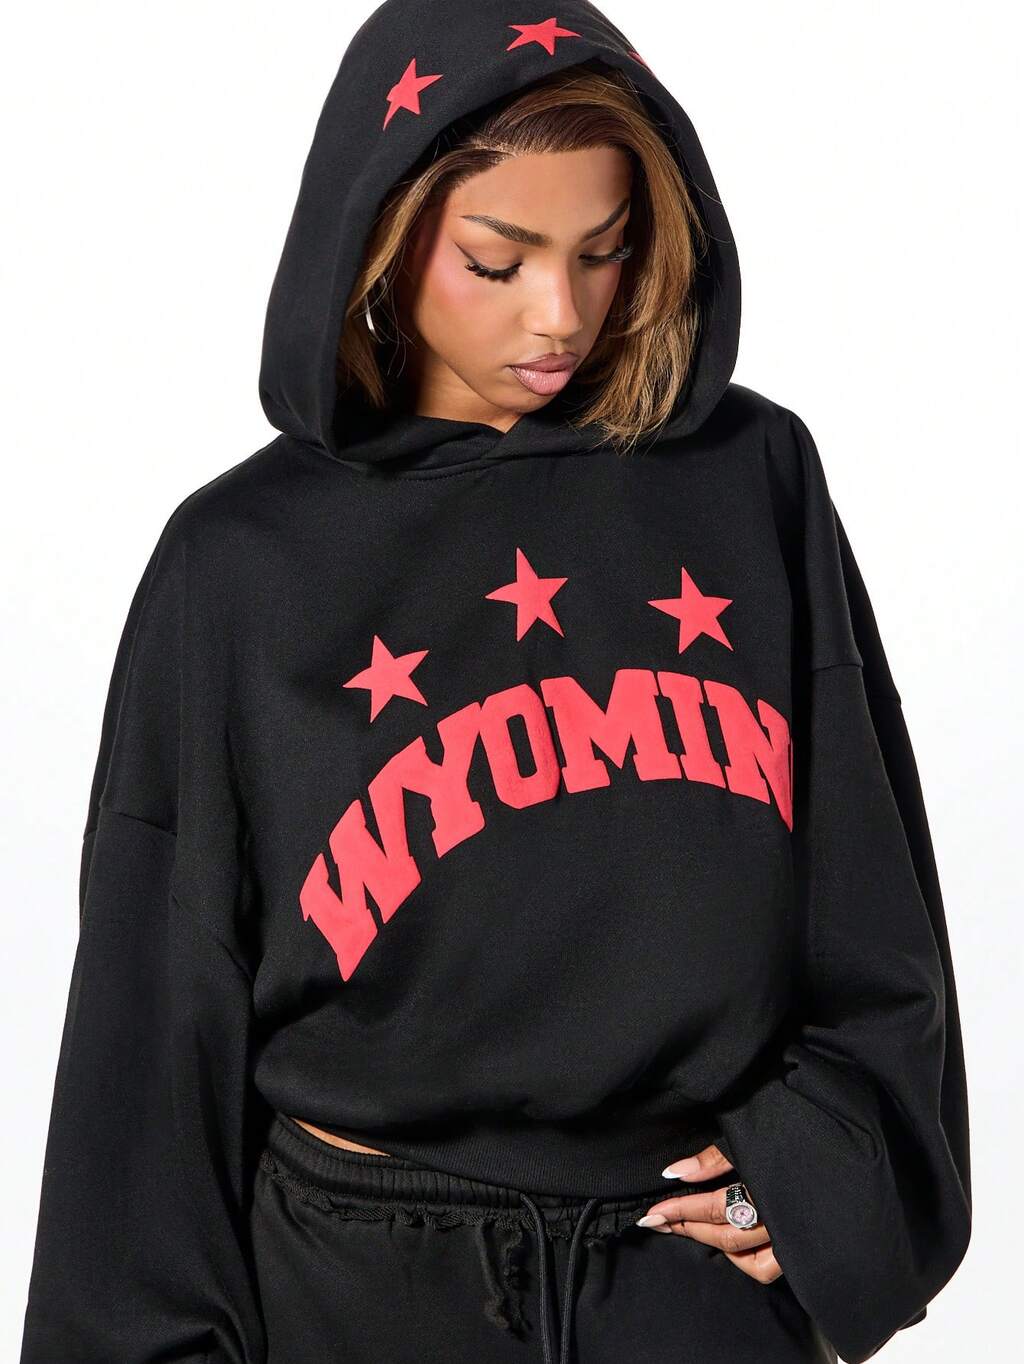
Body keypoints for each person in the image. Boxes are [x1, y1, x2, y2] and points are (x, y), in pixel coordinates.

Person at [18, 1, 971, 1361]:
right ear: (378, 234)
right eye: (496, 259)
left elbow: (873, 905)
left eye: (604, 249)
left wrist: (822, 1171)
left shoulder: (749, 480)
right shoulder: (239, 563)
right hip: (354, 1295)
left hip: (684, 1288)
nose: (560, 313)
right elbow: (153, 1022)